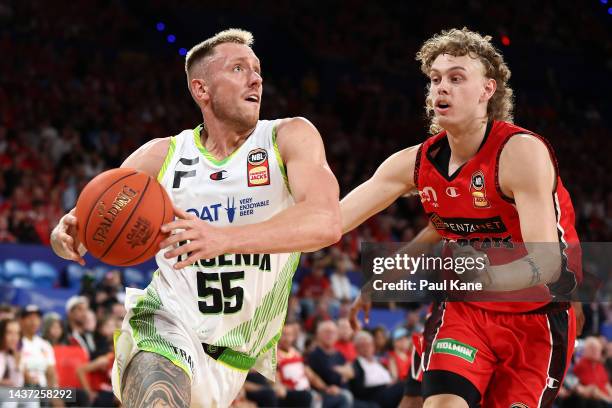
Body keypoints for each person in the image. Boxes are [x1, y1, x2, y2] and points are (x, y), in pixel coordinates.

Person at [50, 28, 341, 407]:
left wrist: (223, 238)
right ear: (202, 90)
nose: (256, 79)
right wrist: (63, 235)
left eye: (257, 70)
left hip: (234, 358)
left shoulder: (287, 137)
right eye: (238, 68)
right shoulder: (161, 155)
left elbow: (325, 222)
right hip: (166, 324)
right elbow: (84, 227)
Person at [342, 27, 583, 407]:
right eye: (435, 79)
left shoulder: (520, 152)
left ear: (488, 89)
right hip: (466, 310)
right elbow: (333, 221)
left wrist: (487, 275)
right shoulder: (416, 162)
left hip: (538, 318)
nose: (441, 88)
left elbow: (548, 262)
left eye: (456, 78)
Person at [350, 331, 404, 408]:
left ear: (373, 346)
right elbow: (359, 389)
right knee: (405, 387)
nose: (366, 348)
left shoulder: (378, 361)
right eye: (363, 345)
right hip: (373, 396)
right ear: (356, 348)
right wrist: (384, 386)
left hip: (388, 391)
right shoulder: (356, 364)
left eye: (369, 344)